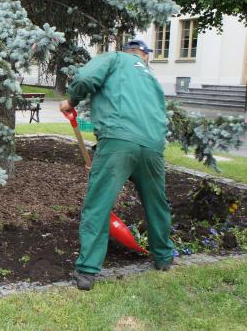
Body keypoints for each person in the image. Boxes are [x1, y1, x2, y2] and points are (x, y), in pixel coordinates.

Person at [59, 39, 174, 291]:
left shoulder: (114, 58)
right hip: (153, 146)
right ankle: (164, 258)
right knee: (157, 203)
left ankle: (87, 271)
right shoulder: (151, 78)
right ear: (144, 56)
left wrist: (72, 101)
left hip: (119, 141)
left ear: (128, 52)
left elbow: (86, 77)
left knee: (98, 204)